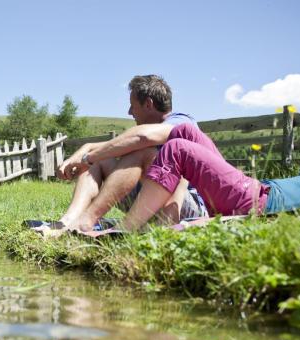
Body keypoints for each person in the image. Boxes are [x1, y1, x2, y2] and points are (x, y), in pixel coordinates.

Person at [114, 96, 300, 231]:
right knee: (186, 132)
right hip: (258, 190)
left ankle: (128, 229)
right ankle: (158, 221)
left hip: (259, 202)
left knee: (177, 148)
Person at [52, 75, 207, 234]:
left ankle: (89, 221)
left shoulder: (183, 123)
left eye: (133, 106)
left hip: (185, 209)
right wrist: (87, 148)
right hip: (150, 201)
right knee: (99, 160)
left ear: (148, 104)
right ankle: (67, 222)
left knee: (142, 153)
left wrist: (87, 157)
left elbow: (142, 137)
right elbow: (114, 147)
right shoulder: (150, 132)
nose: (129, 112)